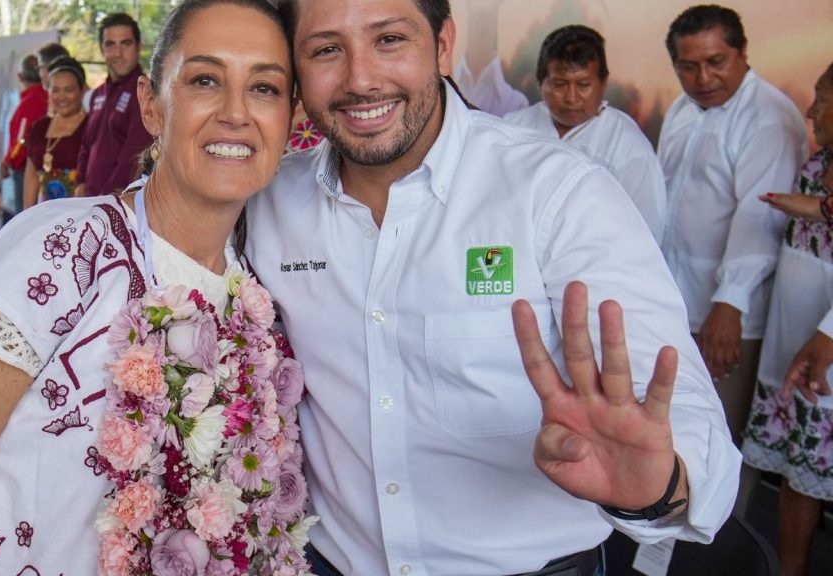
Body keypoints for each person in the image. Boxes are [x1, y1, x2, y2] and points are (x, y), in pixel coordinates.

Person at [244, 0, 740, 573]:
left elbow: (681, 410)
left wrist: (659, 486)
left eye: (389, 40)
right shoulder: (270, 202)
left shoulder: (559, 195)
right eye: (327, 49)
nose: (360, 79)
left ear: (444, 44)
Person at [0, 1, 298, 573]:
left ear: (292, 117)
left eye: (265, 88)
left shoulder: (257, 296)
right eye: (205, 80)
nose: (236, 112)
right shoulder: (64, 250)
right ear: (153, 106)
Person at [657, 5, 808, 451]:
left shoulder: (768, 118)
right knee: (670, 432)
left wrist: (730, 304)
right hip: (673, 301)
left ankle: (721, 525)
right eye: (688, 66)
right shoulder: (682, 109)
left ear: (743, 53)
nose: (703, 78)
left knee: (717, 440)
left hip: (725, 314)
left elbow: (761, 214)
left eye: (715, 62)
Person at [741, 62, 833, 576]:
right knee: (797, 474)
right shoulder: (816, 167)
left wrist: (826, 337)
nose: (811, 111)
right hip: (789, 345)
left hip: (823, 351)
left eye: (822, 99)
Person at [505, 25, 666, 243]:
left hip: (595, 266)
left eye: (583, 85)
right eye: (560, 84)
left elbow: (644, 233)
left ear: (603, 83)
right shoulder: (512, 130)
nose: (572, 97)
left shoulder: (629, 147)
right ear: (540, 84)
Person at [74, 12, 154, 198]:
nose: (117, 53)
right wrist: (80, 182)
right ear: (102, 49)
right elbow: (86, 145)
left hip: (118, 204)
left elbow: (134, 157)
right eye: (110, 44)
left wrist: (106, 199)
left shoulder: (145, 95)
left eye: (125, 43)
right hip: (90, 203)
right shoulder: (98, 94)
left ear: (139, 47)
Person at [23, 57, 88, 208]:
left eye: (69, 90)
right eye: (55, 90)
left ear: (82, 90)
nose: (62, 97)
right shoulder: (39, 127)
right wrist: (26, 216)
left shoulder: (91, 126)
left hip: (79, 214)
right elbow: (31, 175)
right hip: (43, 215)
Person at [453, 0, 528, 116]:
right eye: (478, 14)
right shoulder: (441, 89)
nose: (483, 22)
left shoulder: (516, 104)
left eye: (488, 14)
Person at [0, 54, 48, 202]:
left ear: (20, 76)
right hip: (46, 168)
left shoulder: (27, 104)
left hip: (26, 168)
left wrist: (6, 161)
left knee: (25, 218)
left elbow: (21, 140)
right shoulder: (48, 97)